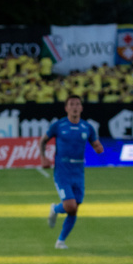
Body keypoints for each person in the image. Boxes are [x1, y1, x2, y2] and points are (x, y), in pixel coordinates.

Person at [39, 94, 104, 249]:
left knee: (74, 209)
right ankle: (55, 209)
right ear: (66, 108)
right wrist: (43, 157)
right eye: (72, 104)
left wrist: (98, 148)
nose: (75, 107)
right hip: (62, 170)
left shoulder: (87, 127)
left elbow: (95, 143)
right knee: (70, 206)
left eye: (77, 104)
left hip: (79, 171)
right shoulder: (59, 125)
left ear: (81, 108)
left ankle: (60, 241)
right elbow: (43, 140)